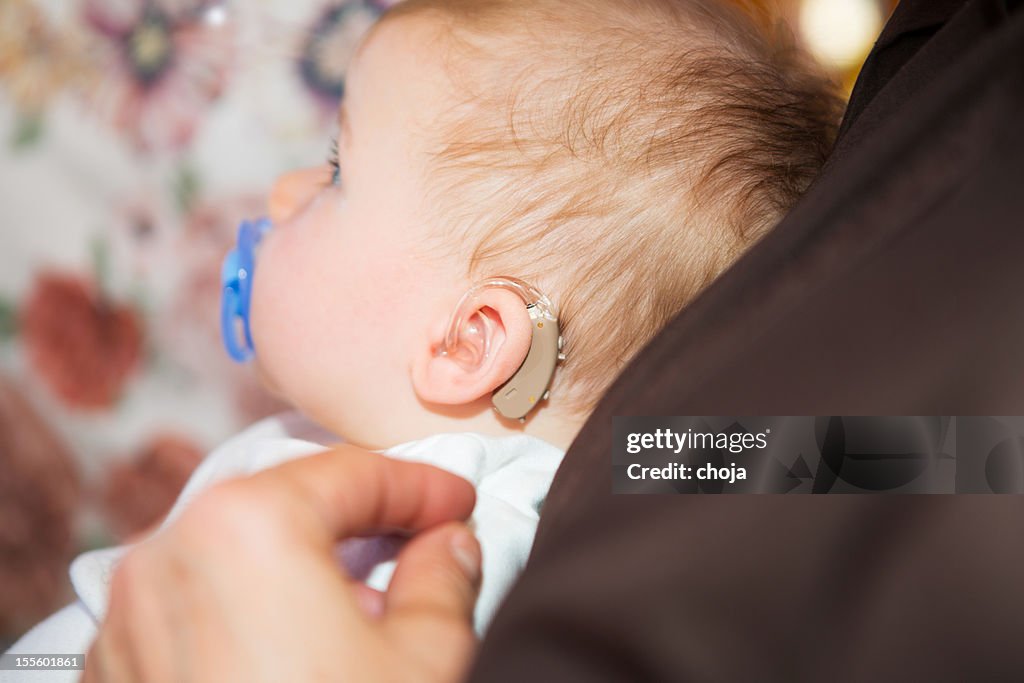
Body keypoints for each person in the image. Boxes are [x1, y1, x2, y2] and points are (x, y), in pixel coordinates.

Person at [71, 0, 1024, 680]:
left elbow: (938, 462)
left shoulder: (459, 553)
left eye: (332, 170)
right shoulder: (647, 467)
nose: (282, 194)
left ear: (470, 341)